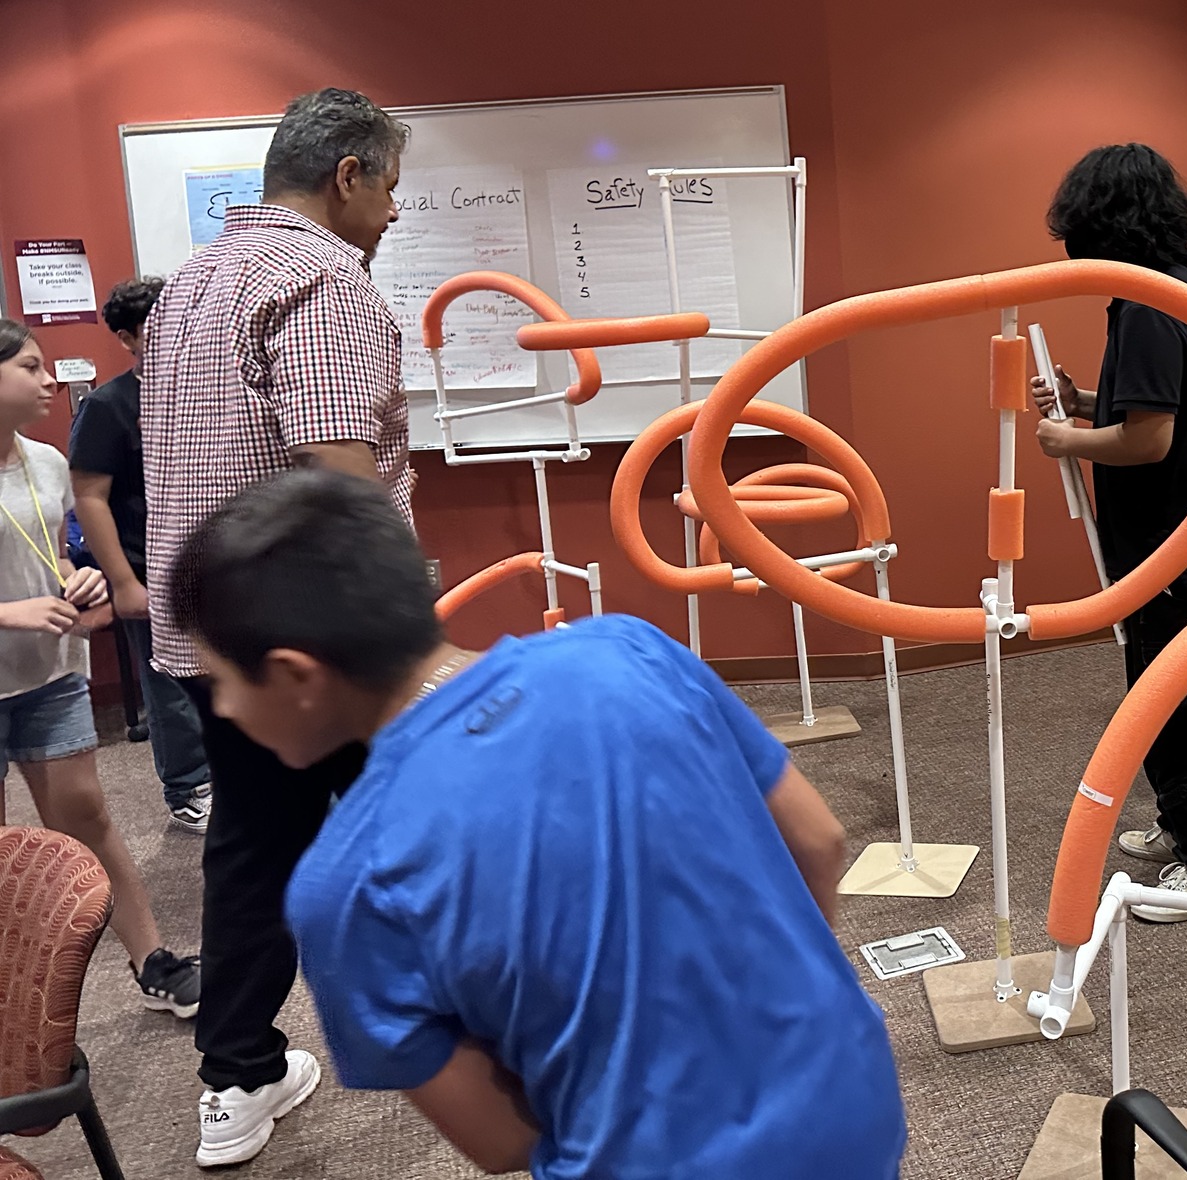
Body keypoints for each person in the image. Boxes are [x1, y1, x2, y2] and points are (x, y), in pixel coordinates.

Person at [168, 471, 907, 1180]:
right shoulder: (632, 649)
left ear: (297, 676)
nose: (223, 710)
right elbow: (820, 841)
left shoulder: (345, 886)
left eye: (222, 681)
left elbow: (498, 1142)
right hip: (851, 1093)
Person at [142, 86, 410, 1167]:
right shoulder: (323, 280)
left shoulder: (190, 283)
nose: (393, 212)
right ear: (347, 174)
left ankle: (238, 1076)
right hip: (322, 644)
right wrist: (405, 656)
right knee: (426, 830)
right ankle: (505, 1034)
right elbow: (339, 483)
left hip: (215, 636)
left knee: (253, 847)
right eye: (389, 186)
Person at [1031, 142, 1187, 923]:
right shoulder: (1174, 292)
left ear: (1103, 227)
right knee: (1162, 694)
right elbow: (1146, 407)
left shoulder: (1146, 308)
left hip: (1179, 549)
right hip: (1186, 541)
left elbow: (1149, 440)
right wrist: (1083, 397)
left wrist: (1067, 439)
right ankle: (1182, 824)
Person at [0, 320, 201, 1015]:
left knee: (87, 815)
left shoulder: (46, 462)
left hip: (49, 674)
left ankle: (153, 963)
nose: (50, 380)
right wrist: (8, 612)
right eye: (30, 367)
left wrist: (74, 580)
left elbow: (48, 555)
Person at [69, 275, 212, 832]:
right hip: (147, 566)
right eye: (159, 328)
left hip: (213, 559)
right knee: (170, 685)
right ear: (128, 339)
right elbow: (89, 497)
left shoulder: (205, 390)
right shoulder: (108, 406)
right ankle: (186, 787)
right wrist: (123, 581)